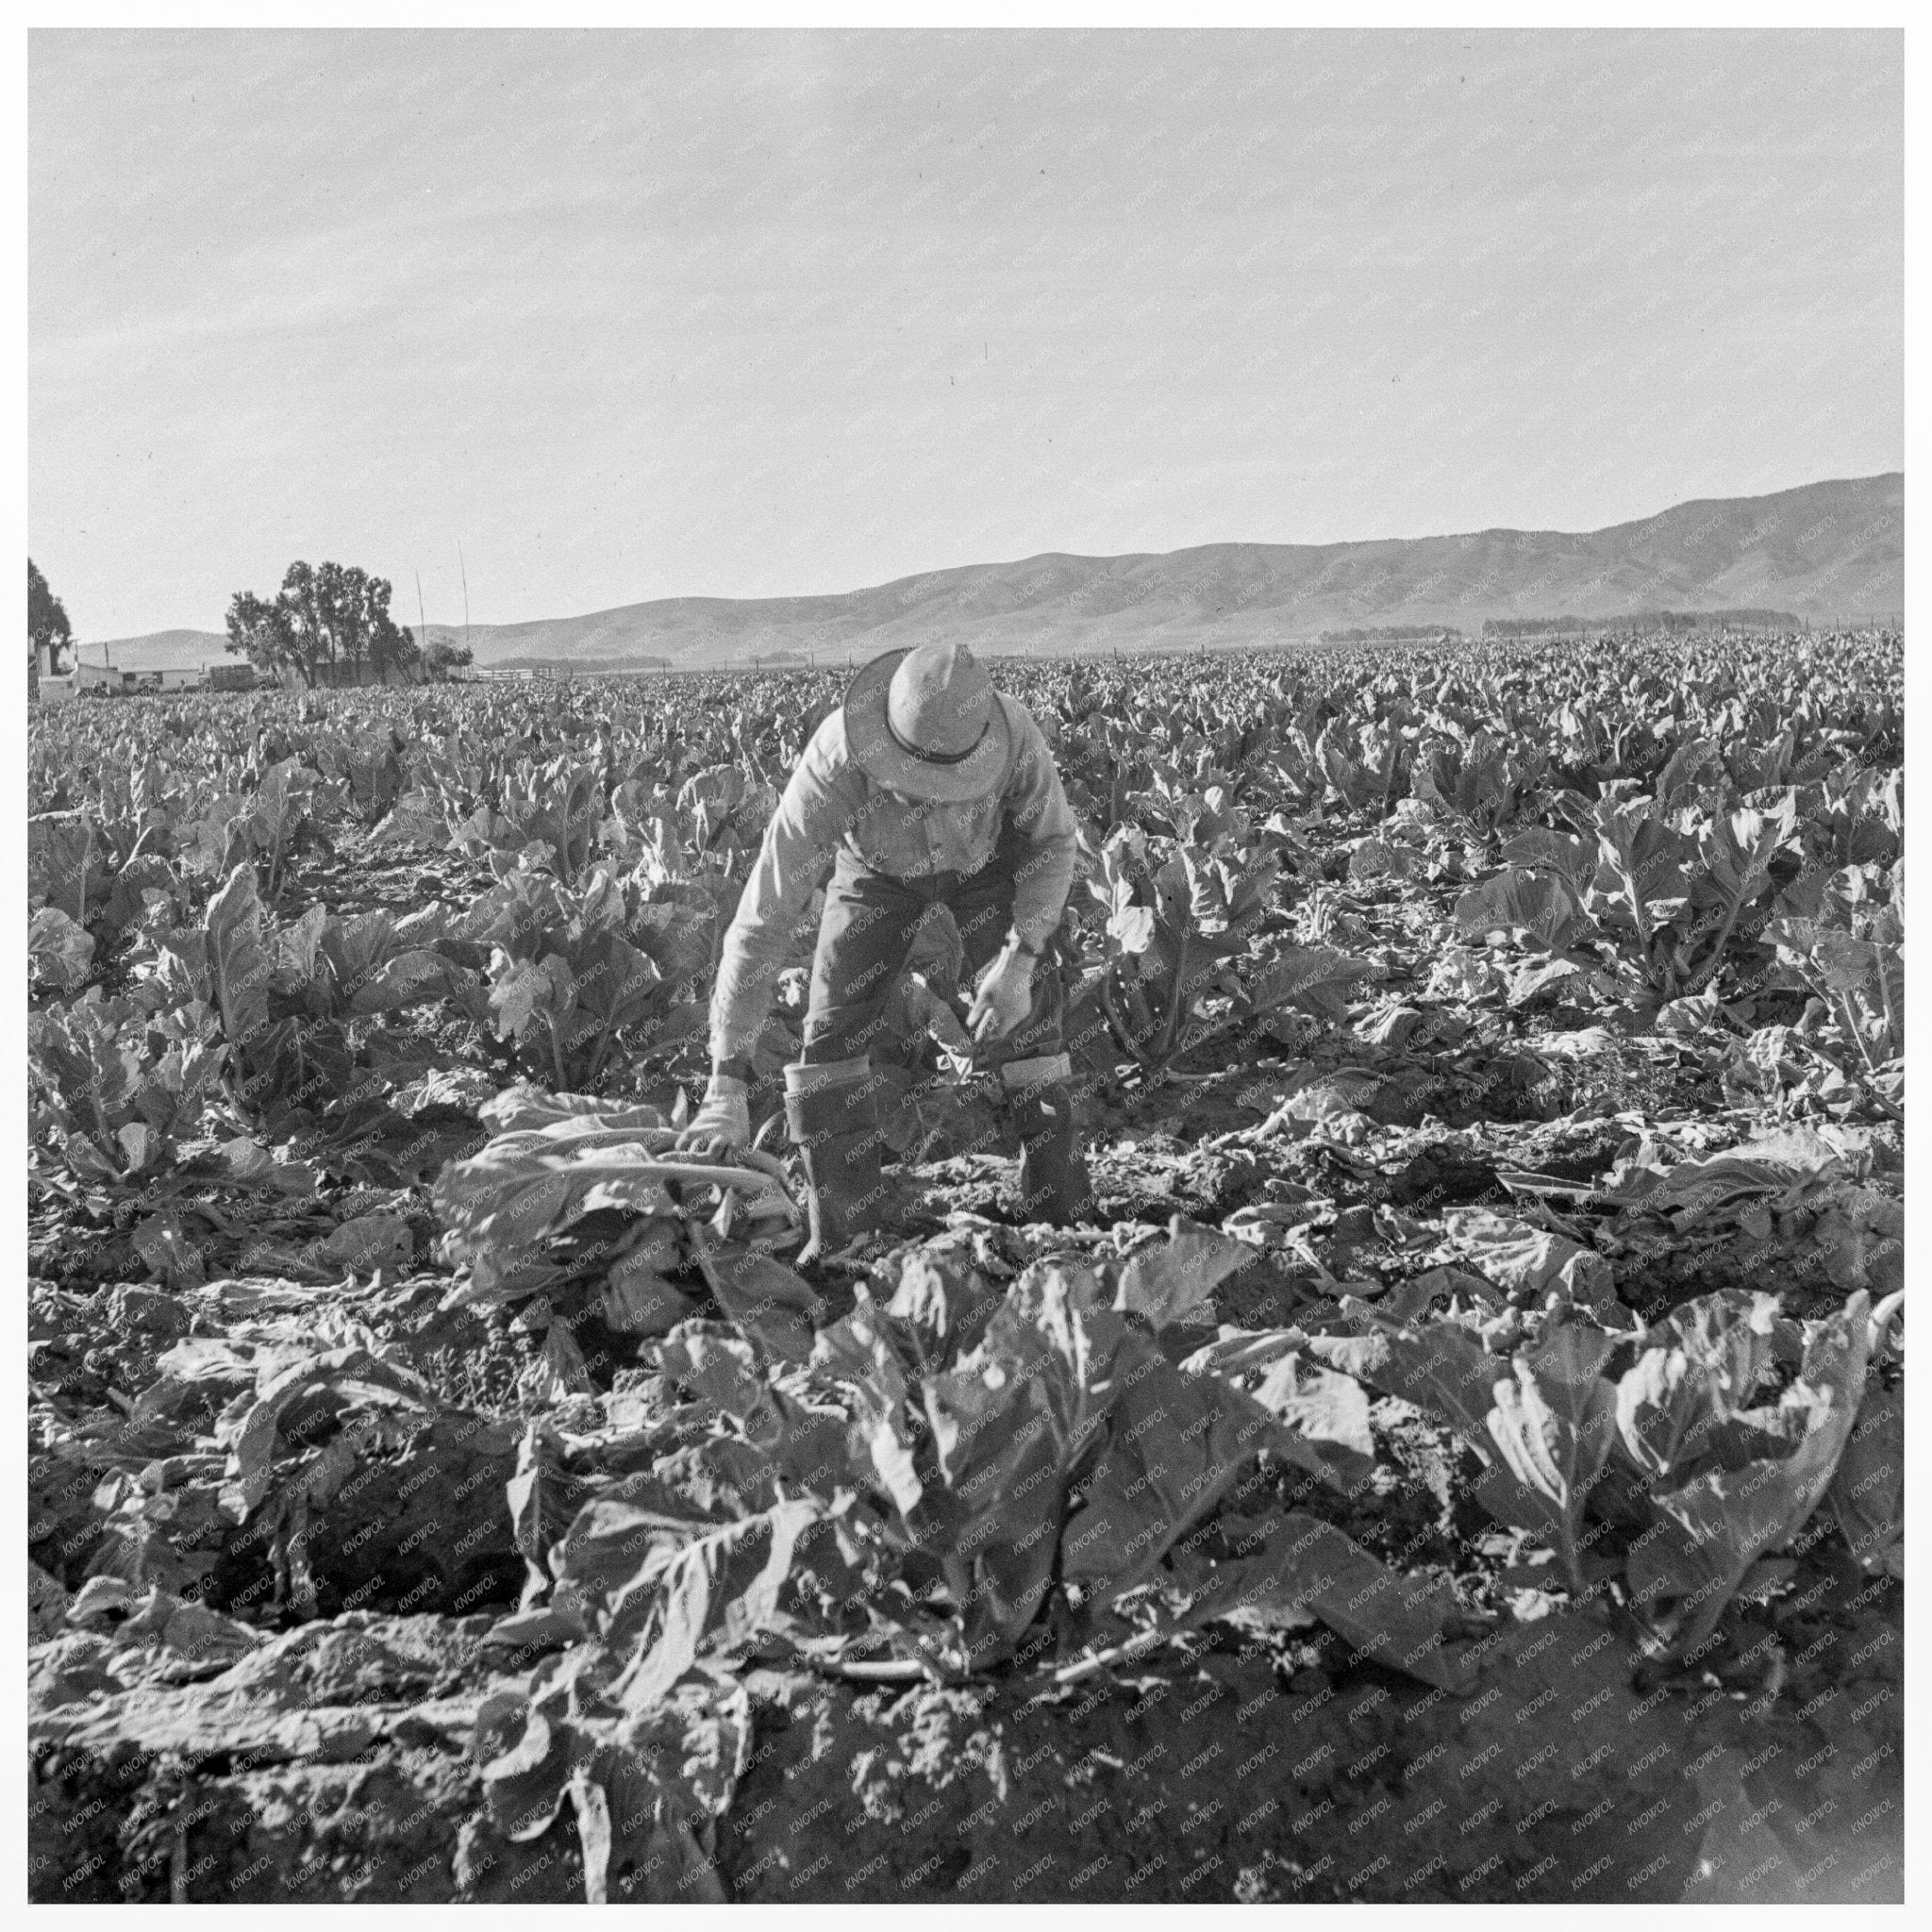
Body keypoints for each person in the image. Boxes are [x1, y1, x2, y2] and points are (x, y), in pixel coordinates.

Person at [676, 641, 1092, 1259]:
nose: (931, 798)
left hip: (986, 867)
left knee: (1028, 1014)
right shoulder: (834, 764)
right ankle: (847, 1238)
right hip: (877, 874)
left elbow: (1054, 846)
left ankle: (1060, 1219)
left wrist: (1022, 957)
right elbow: (763, 921)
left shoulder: (1016, 737)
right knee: (830, 1032)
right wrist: (725, 1085)